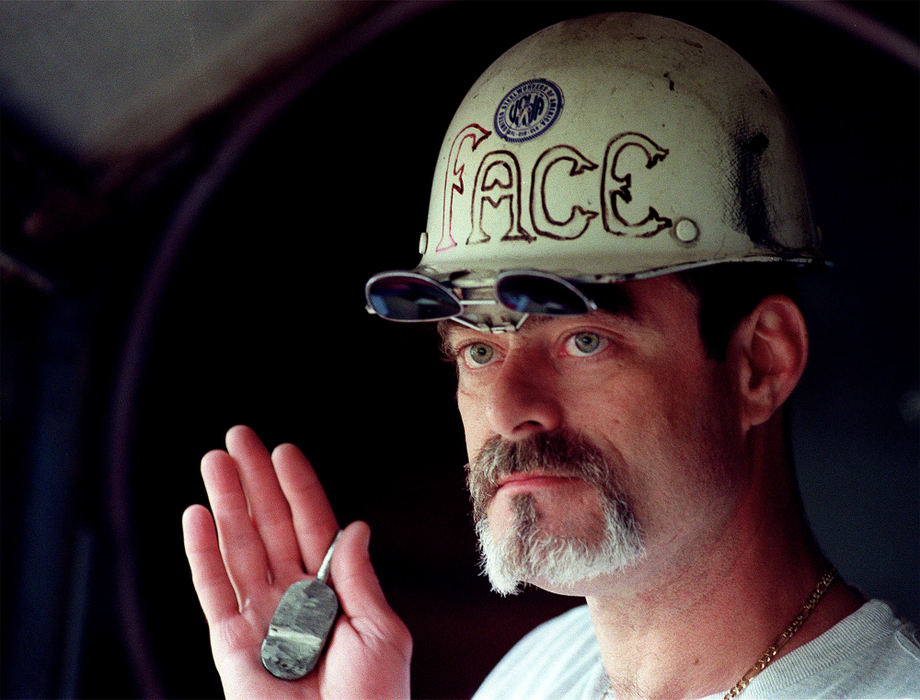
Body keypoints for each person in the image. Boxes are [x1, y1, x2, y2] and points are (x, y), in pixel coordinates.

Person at [182, 12, 920, 699]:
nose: (507, 409)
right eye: (477, 348)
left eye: (584, 339)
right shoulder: (533, 678)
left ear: (761, 363)